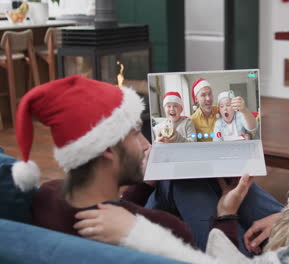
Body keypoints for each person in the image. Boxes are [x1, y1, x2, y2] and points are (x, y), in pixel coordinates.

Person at [75, 52, 289, 263]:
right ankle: (157, 190)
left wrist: (223, 217)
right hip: (287, 231)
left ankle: (151, 195)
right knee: (199, 177)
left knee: (186, 183)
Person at [10, 76, 243, 251]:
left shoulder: (46, 196)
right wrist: (226, 216)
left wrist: (146, 183)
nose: (145, 144)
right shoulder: (164, 230)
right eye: (136, 134)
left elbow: (107, 207)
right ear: (108, 149)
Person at [145, 77, 284, 254]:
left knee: (182, 182)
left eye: (210, 94)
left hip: (216, 169)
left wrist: (227, 214)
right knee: (191, 181)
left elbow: (247, 124)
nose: (208, 98)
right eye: (203, 95)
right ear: (196, 99)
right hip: (204, 168)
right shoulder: (193, 120)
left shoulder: (221, 110)